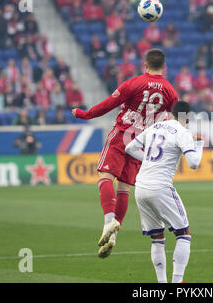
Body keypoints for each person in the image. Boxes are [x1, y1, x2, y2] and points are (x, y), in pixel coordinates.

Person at [72, 49, 178, 258]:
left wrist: (84, 114)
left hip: (122, 135)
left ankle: (108, 222)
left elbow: (108, 104)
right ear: (163, 67)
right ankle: (113, 237)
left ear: (145, 65)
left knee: (105, 176)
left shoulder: (134, 83)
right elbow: (176, 120)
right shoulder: (170, 92)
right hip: (141, 143)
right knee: (124, 188)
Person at [125, 101, 204, 283]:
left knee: (157, 237)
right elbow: (193, 163)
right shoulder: (183, 133)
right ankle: (177, 283)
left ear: (171, 113)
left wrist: (148, 161)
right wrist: (198, 144)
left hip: (141, 187)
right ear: (187, 117)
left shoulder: (156, 126)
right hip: (159, 187)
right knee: (184, 234)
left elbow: (129, 148)